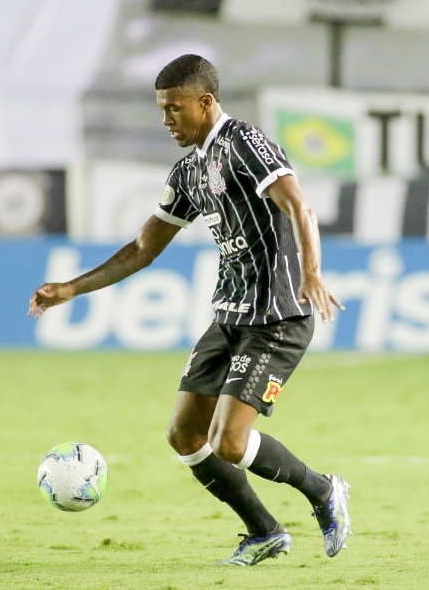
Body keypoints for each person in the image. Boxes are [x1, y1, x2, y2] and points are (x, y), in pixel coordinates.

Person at [29, 54, 351, 566]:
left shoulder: (244, 142)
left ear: (205, 103)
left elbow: (299, 204)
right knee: (184, 435)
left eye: (174, 109)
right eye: (162, 110)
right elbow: (141, 250)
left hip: (278, 318)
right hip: (229, 317)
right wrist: (72, 288)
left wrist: (312, 271)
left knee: (229, 441)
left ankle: (324, 490)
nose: (166, 121)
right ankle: (264, 530)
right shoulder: (189, 170)